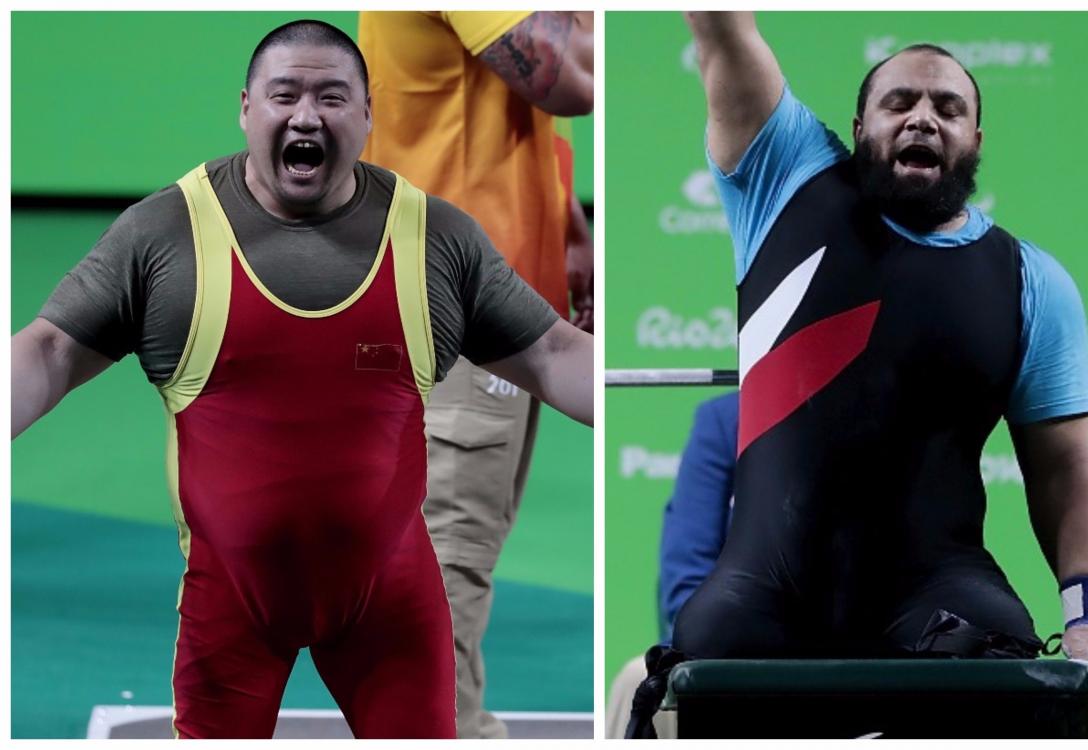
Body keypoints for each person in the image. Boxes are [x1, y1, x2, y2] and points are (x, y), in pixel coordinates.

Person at [10, 19, 592, 740]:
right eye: (284, 95)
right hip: (232, 609)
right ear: (246, 108)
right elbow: (48, 352)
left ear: (369, 114)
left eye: (332, 97)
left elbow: (553, 356)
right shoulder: (166, 234)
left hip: (393, 610)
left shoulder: (436, 238)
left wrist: (661, 405)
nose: (306, 116)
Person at [627, 12, 1088, 734]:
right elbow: (721, 28)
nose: (923, 117)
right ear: (860, 126)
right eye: (900, 103)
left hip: (935, 591)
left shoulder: (1033, 283)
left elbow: (1064, 469)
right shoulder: (785, 175)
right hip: (765, 592)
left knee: (1045, 688)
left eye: (948, 108)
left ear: (976, 141)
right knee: (703, 657)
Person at [357, 11, 593, 739]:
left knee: (457, 552)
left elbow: (499, 109)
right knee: (444, 560)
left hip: (496, 301)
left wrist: (567, 224)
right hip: (450, 300)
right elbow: (567, 78)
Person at [605, 392, 737, 739]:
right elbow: (687, 573)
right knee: (637, 679)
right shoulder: (728, 419)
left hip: (864, 643)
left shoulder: (884, 402)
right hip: (735, 643)